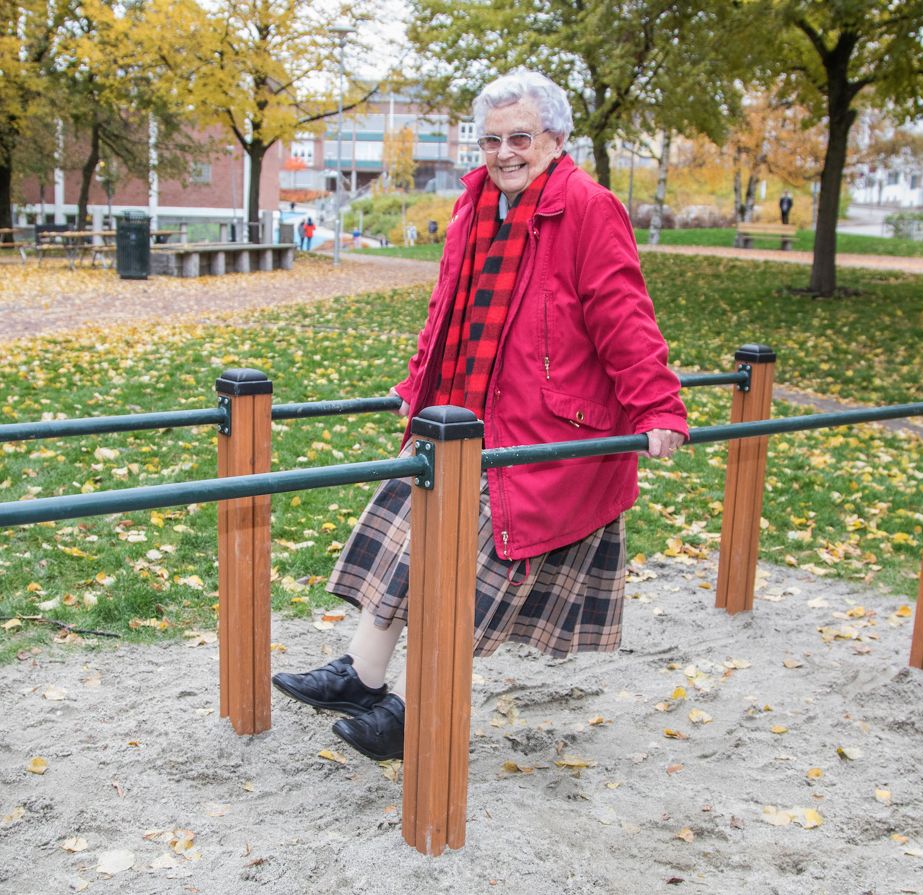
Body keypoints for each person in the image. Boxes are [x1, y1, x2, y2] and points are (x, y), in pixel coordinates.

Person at [272, 70, 688, 762]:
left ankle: (412, 708)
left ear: (555, 138)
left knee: (463, 577)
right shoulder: (474, 205)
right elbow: (447, 311)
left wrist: (657, 404)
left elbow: (623, 314)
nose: (504, 152)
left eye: (519, 137)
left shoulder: (586, 207)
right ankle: (361, 676)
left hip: (546, 429)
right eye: (491, 139)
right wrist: (416, 383)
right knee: (410, 543)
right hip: (463, 414)